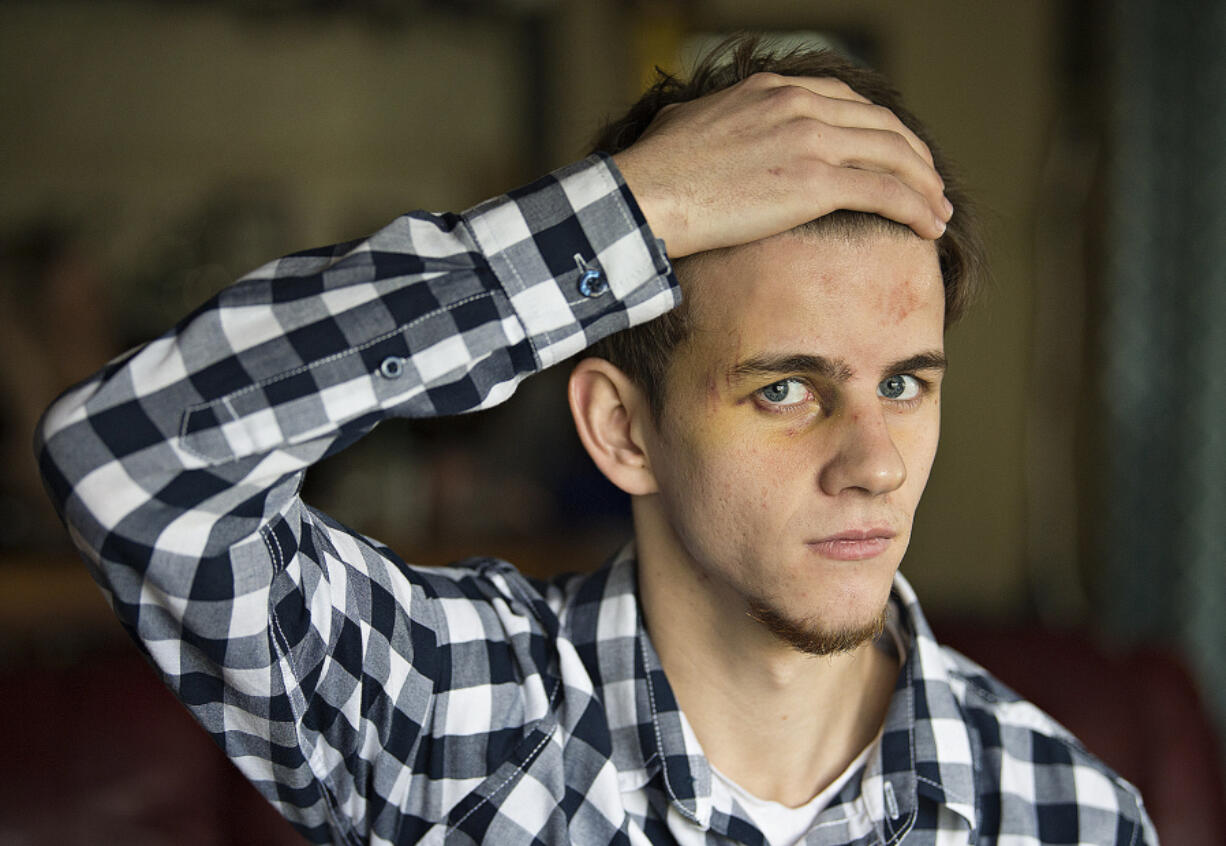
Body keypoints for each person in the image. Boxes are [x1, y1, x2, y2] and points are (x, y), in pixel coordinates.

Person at [36, 36, 1154, 845]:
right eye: (785, 391)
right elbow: (135, 460)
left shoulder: (1070, 813)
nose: (874, 461)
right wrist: (626, 210)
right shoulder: (458, 713)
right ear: (621, 431)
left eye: (903, 382)